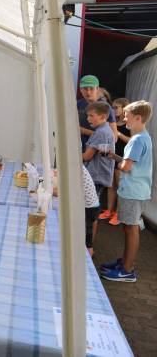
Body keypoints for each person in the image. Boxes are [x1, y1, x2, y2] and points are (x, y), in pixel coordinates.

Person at [101, 101, 153, 283]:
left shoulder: (137, 140)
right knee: (129, 228)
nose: (123, 118)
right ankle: (125, 262)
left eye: (126, 116)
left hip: (133, 191)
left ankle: (127, 269)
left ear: (138, 118)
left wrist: (117, 161)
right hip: (136, 191)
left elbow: (126, 167)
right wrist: (115, 157)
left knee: (131, 229)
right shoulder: (143, 137)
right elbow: (131, 164)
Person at [81, 101, 115, 251]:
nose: (88, 119)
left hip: (95, 177)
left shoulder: (101, 132)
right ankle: (89, 246)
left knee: (90, 212)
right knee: (92, 211)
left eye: (91, 116)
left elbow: (87, 156)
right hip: (98, 176)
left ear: (102, 116)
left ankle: (88, 247)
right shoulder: (105, 130)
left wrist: (69, 155)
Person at [100, 97, 131, 225]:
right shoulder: (112, 123)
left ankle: (118, 214)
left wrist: (119, 134)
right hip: (111, 156)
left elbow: (132, 141)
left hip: (122, 158)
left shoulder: (129, 123)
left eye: (116, 107)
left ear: (124, 108)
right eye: (112, 107)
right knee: (110, 185)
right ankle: (109, 210)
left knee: (120, 186)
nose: (113, 110)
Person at [77, 75, 117, 152]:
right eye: (85, 89)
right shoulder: (79, 104)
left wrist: (99, 154)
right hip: (80, 150)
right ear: (80, 89)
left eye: (91, 89)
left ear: (97, 89)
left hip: (97, 155)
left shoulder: (105, 107)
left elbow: (113, 137)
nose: (88, 92)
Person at [82, 165, 100, 257]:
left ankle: (89, 257)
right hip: (92, 205)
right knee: (88, 235)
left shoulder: (75, 168)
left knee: (87, 237)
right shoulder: (78, 167)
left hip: (89, 207)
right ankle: (89, 253)